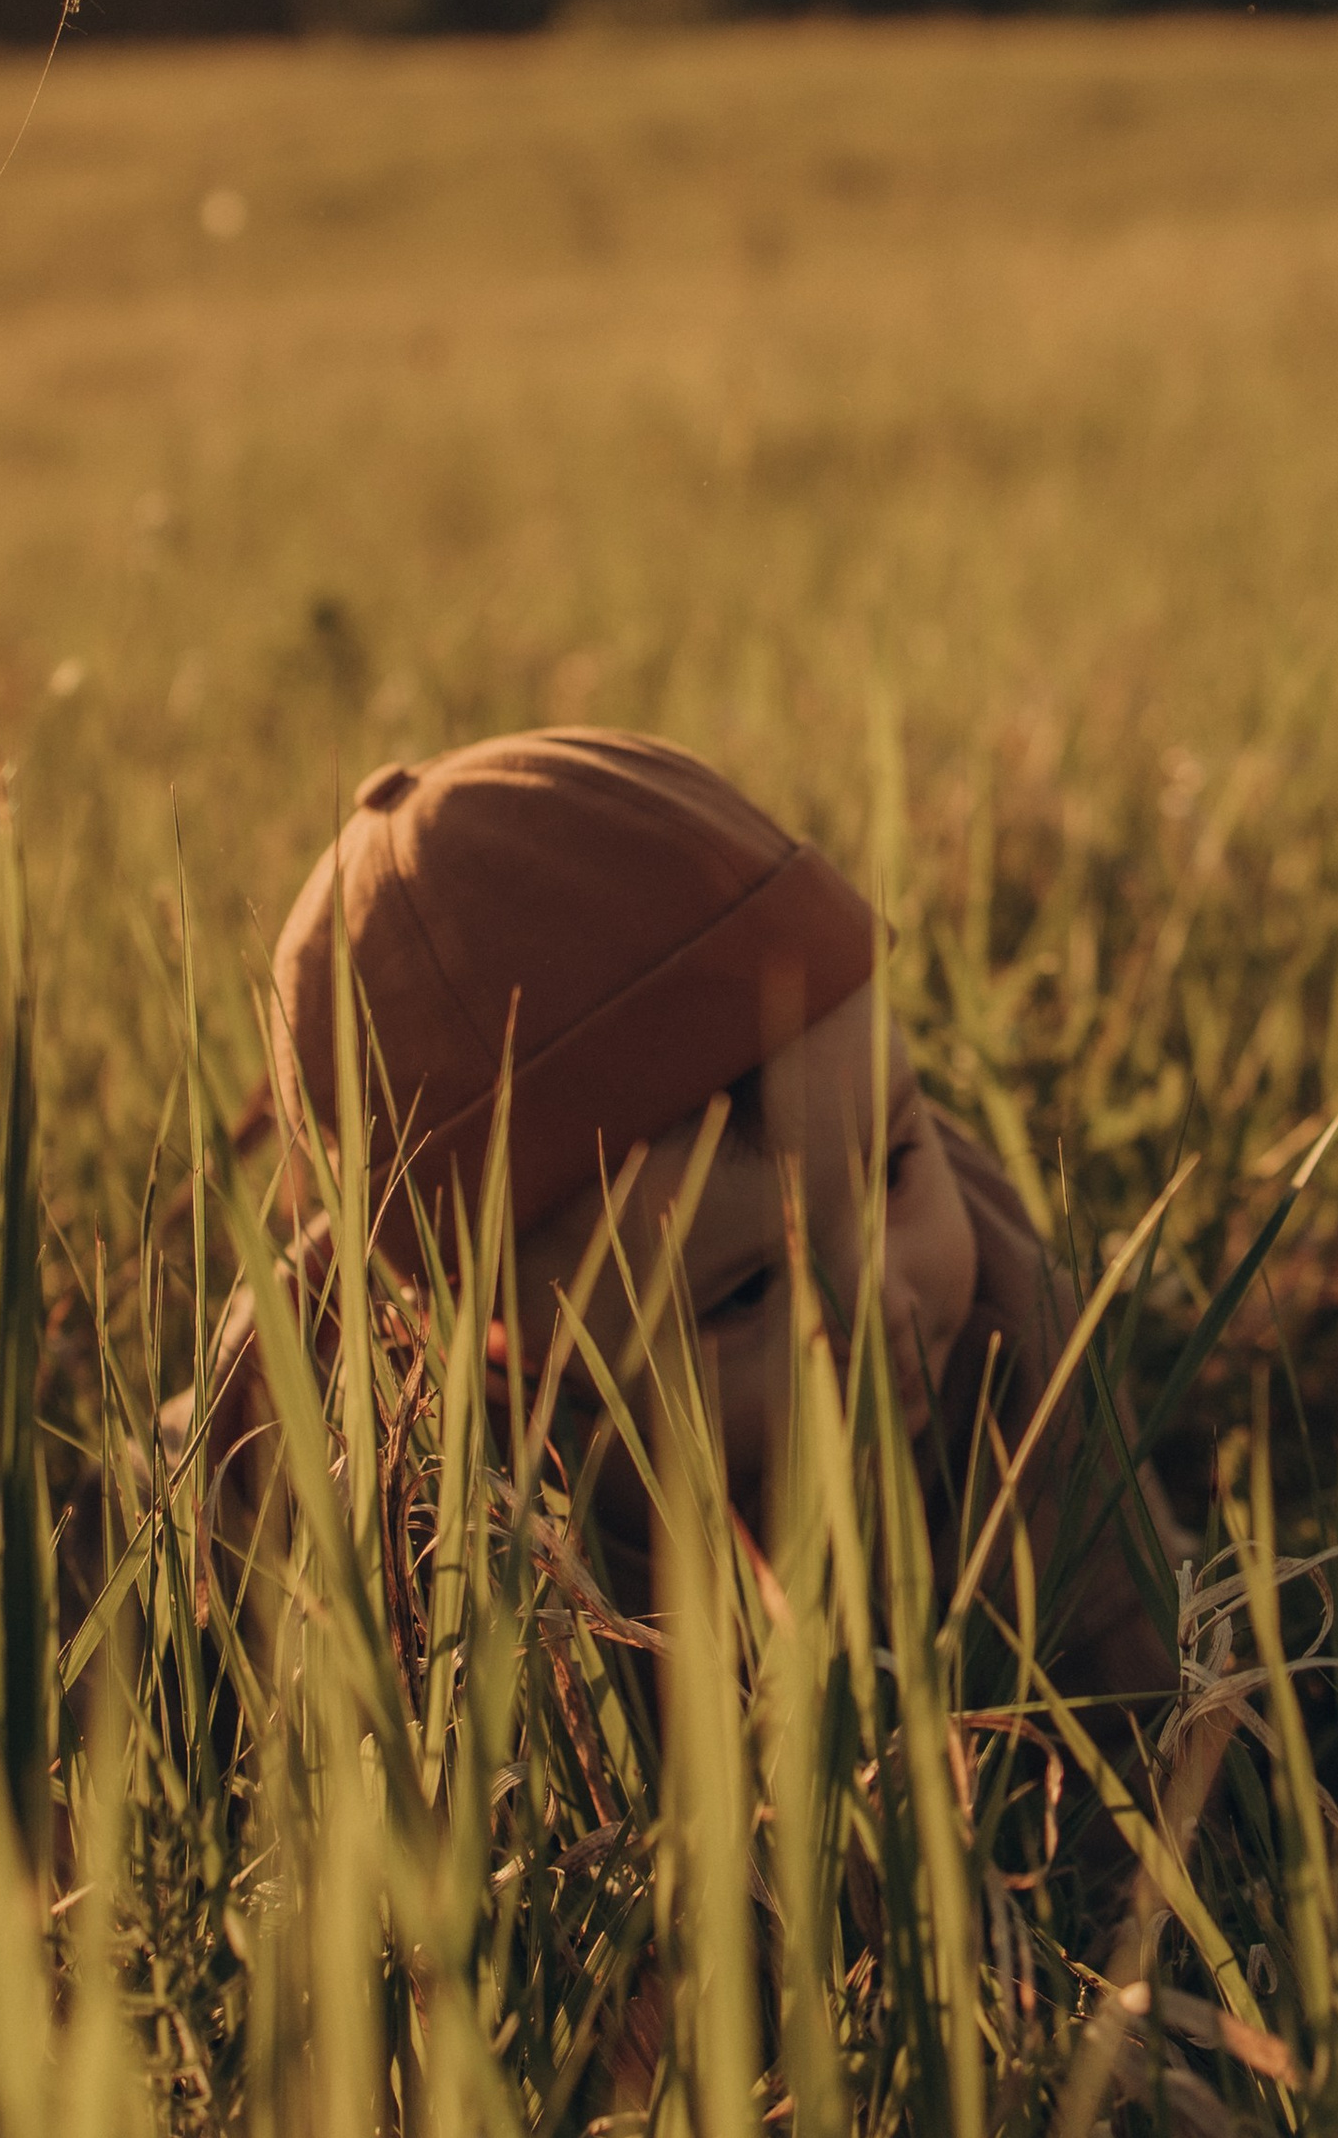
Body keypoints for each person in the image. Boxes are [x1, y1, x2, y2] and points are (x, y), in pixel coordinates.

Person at [179, 727, 1175, 1720]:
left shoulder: (1010, 1319)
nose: (878, 1306)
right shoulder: (383, 1489)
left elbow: (1131, 1697)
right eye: (744, 1292)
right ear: (506, 1349)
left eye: (895, 1171)